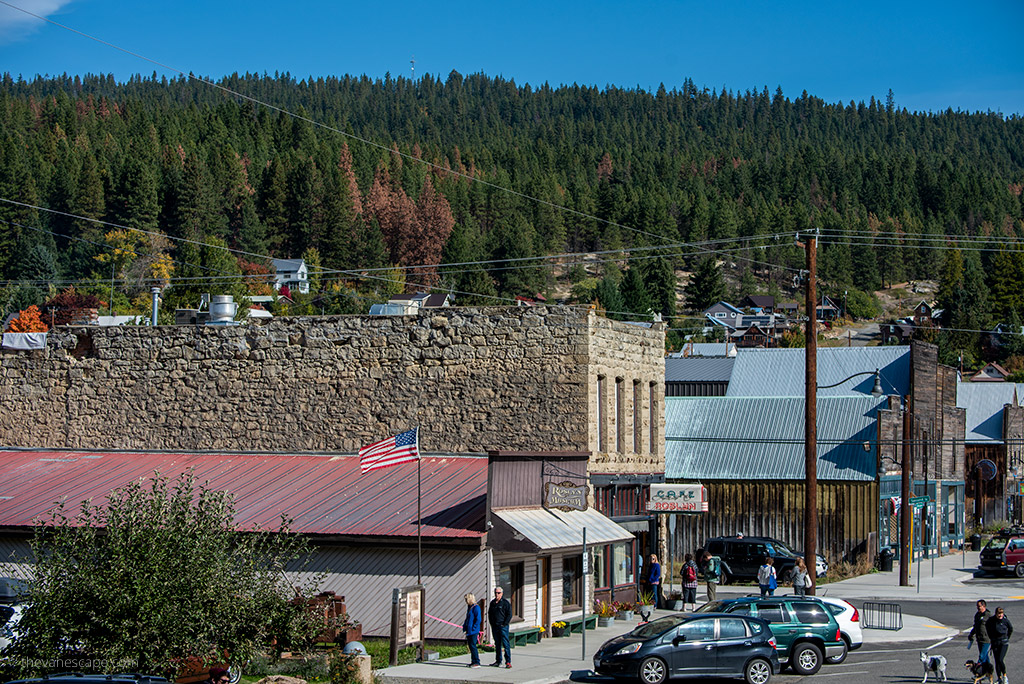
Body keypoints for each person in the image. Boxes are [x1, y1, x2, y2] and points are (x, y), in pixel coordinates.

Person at [987, 605, 1013, 684]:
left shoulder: (1005, 621)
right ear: (996, 614)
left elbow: (1010, 629)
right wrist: (991, 637)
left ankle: (1004, 676)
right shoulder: (992, 620)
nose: (1000, 615)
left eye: (1001, 614)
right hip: (995, 642)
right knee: (997, 661)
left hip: (1003, 642)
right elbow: (987, 627)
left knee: (1000, 659)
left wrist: (1007, 637)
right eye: (999, 614)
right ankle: (999, 678)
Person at [488, 586, 512, 668]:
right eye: (496, 593)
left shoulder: (505, 603)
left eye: (498, 593)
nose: (497, 595)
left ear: (502, 593)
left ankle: (508, 661)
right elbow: (490, 614)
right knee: (497, 644)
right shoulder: (492, 603)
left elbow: (509, 615)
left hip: (503, 626)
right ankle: (498, 660)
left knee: (505, 643)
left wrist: (504, 624)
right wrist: (492, 623)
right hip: (495, 626)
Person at [968, 599, 992, 665]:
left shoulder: (988, 615)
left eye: (979, 606)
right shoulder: (977, 615)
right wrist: (971, 634)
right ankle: (988, 672)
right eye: (977, 606)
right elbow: (975, 626)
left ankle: (977, 670)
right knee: (985, 656)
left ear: (984, 606)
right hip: (979, 638)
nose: (978, 608)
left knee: (981, 656)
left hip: (986, 639)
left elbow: (993, 626)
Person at [462, 592, 482, 668]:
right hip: (469, 630)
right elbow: (467, 618)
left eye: (467, 599)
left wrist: (474, 628)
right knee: (470, 646)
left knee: (473, 646)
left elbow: (478, 619)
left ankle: (477, 661)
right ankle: (473, 661)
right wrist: (465, 626)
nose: (466, 601)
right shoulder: (469, 607)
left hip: (473, 631)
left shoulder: (476, 608)